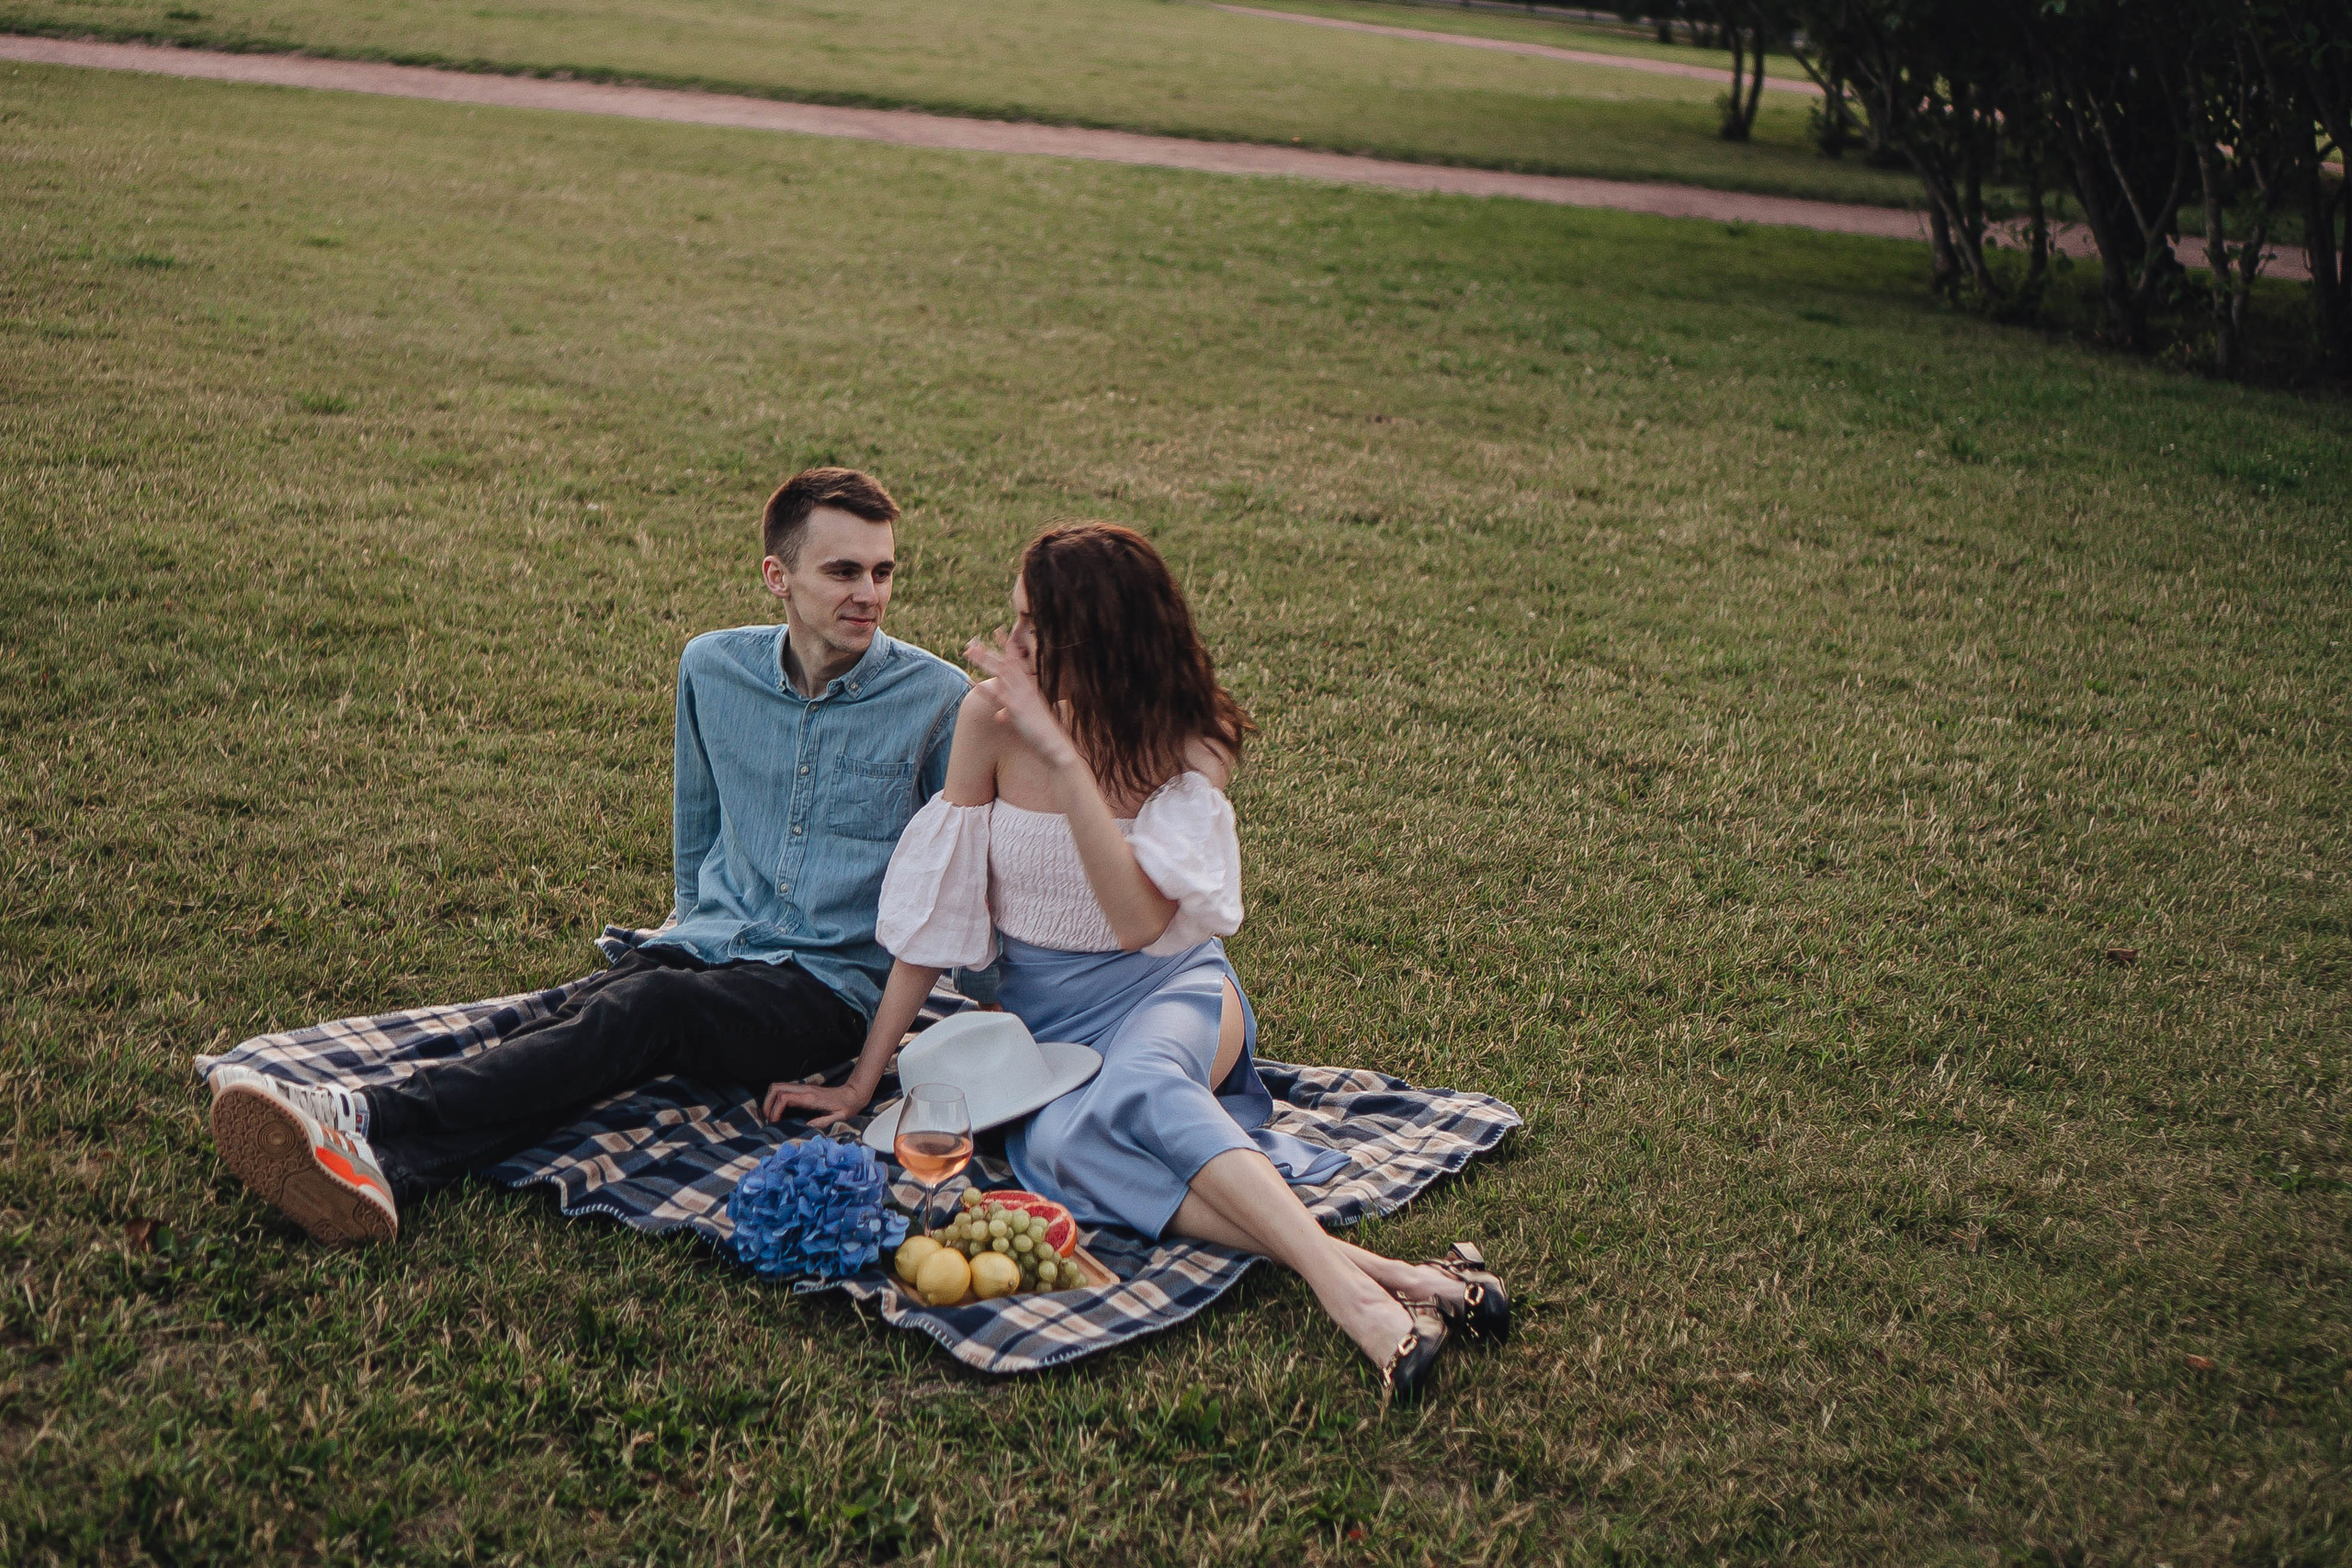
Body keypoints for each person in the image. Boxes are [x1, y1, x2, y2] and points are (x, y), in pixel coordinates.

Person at [795, 523, 1510, 1396]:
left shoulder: (1193, 738)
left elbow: (1137, 923)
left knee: (1140, 1091)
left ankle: (1355, 1305)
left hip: (1172, 990)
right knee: (1056, 1145)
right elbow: (934, 922)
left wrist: (1061, 758)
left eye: (1035, 628)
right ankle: (1410, 1278)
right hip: (1047, 1023)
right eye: (1014, 619)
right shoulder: (987, 718)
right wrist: (864, 1083)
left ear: (1100, 637)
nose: (1013, 646)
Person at [208, 467, 974, 1246]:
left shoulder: (938, 701)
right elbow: (697, 831)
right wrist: (688, 941)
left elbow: (952, 893)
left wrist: (862, 1077)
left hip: (825, 987)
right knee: (581, 1024)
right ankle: (392, 1170)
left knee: (646, 1010)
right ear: (777, 576)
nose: (870, 594)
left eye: (883, 572)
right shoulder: (713, 666)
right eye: (843, 570)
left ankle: (369, 1111)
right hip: (715, 942)